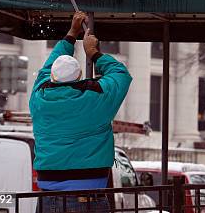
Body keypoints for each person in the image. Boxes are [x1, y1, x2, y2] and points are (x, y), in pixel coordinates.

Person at [30, 11, 132, 211]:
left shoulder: (38, 98)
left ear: (52, 77)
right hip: (89, 196)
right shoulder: (96, 98)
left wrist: (71, 33)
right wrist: (94, 53)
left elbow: (48, 66)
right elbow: (120, 74)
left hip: (48, 198)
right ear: (78, 76)